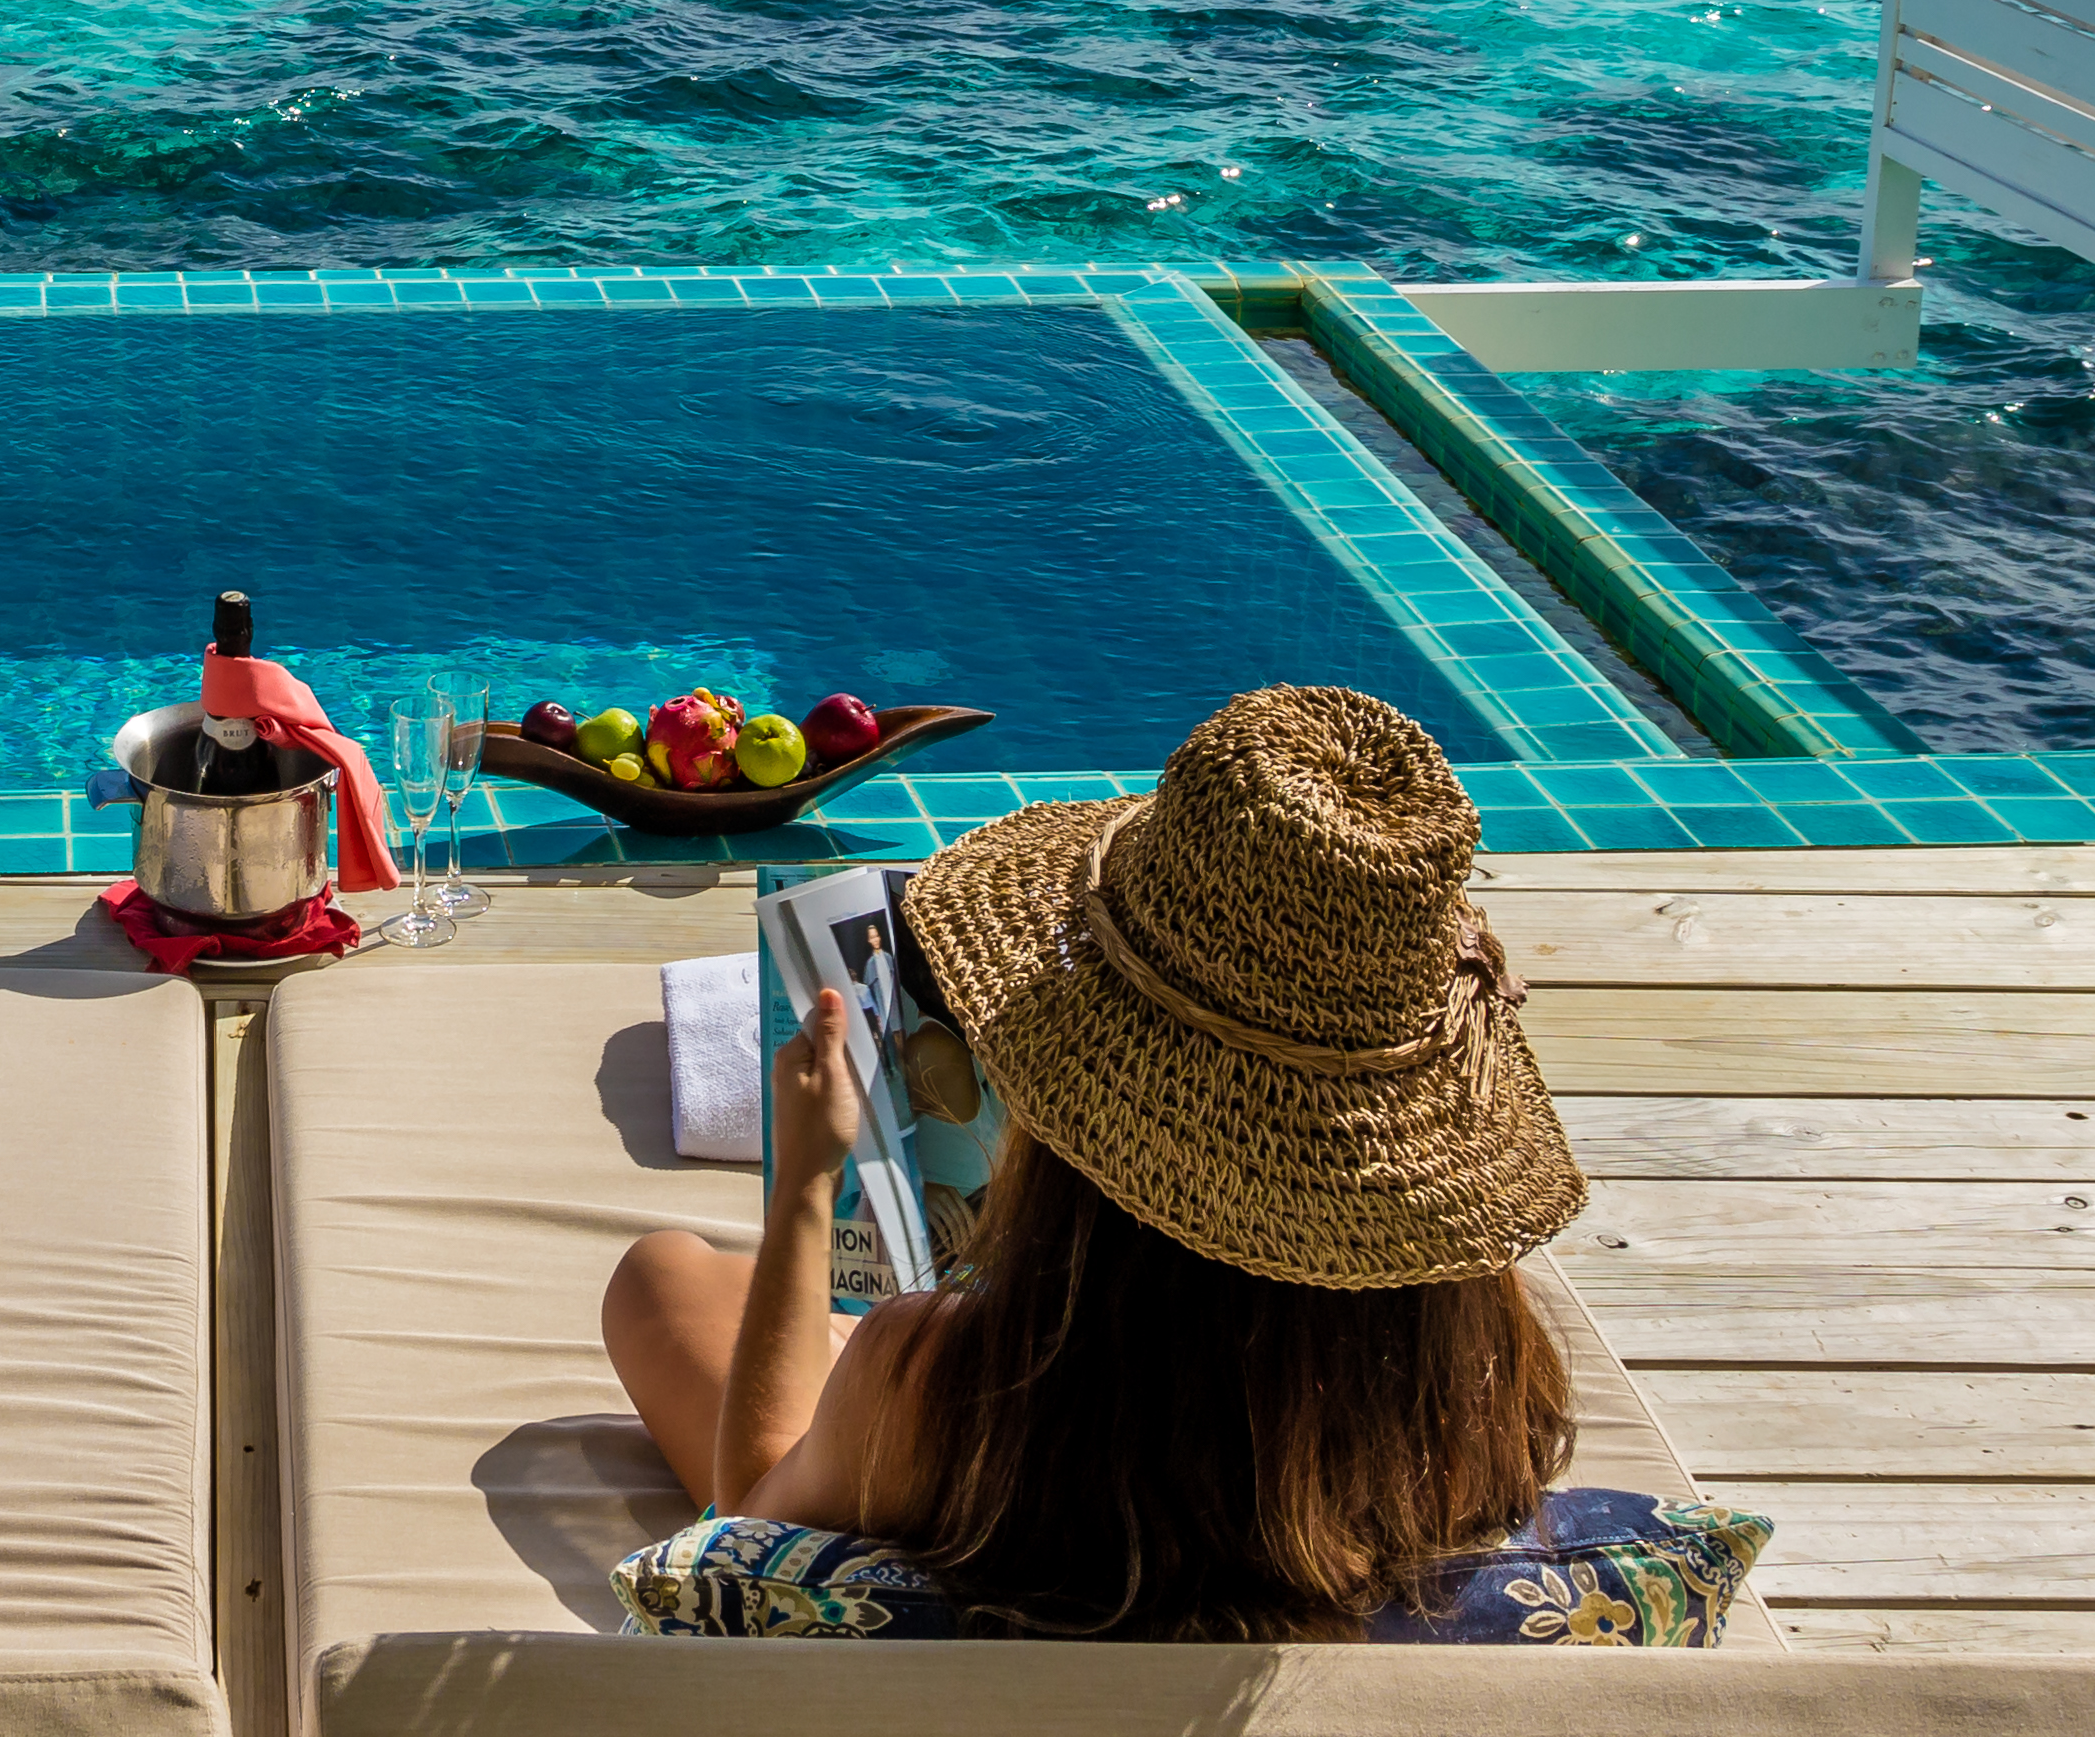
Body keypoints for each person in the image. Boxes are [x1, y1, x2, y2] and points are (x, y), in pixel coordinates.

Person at [595, 679, 1592, 1636]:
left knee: (663, 1277)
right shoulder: (1480, 1390)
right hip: (1255, 1453)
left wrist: (811, 1183)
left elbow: (750, 1531)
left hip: (1001, 1463)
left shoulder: (944, 1385)